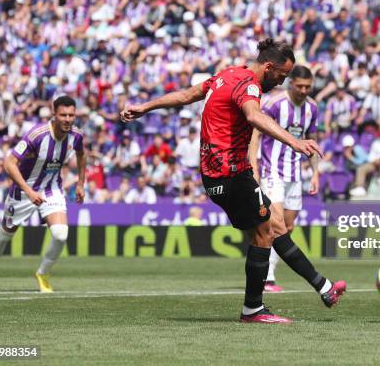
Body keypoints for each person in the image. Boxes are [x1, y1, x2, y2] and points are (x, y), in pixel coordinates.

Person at [121, 39, 346, 324]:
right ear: (268, 66)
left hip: (219, 172)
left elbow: (187, 95)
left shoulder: (227, 74)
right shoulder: (249, 84)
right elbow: (254, 115)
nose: (280, 82)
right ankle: (253, 308)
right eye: (282, 76)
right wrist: (294, 141)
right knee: (265, 232)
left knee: (274, 226)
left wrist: (146, 106)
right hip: (230, 173)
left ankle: (323, 287)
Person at [0, 96, 86, 293]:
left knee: (61, 235)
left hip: (51, 189)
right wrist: (28, 191)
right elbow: (9, 163)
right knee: (3, 237)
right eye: (63, 115)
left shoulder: (77, 135)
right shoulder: (37, 135)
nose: (68, 119)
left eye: (71, 115)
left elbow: (81, 154)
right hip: (23, 191)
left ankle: (43, 273)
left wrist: (81, 183)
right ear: (54, 114)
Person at [248, 65, 319, 293]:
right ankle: (266, 278)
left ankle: (269, 272)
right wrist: (254, 167)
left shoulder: (312, 108)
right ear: (291, 83)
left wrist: (315, 172)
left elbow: (312, 139)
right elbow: (255, 134)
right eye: (300, 86)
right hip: (272, 172)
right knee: (273, 225)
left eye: (308, 86)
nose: (304, 90)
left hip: (294, 174)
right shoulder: (275, 104)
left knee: (288, 227)